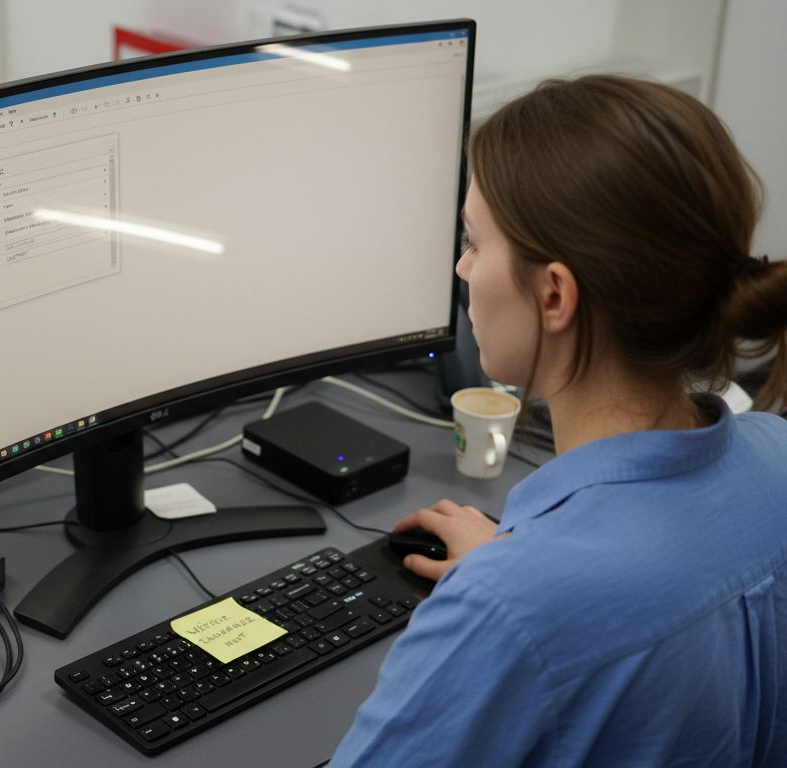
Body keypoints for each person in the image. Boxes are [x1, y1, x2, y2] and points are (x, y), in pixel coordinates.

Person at [330, 74, 787, 766]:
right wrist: (524, 570)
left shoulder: (503, 612)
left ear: (553, 294)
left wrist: (514, 595)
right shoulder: (778, 456)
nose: (461, 266)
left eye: (474, 242)